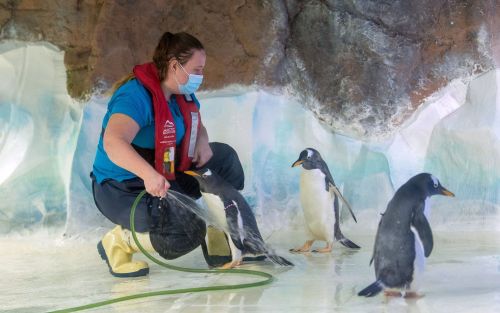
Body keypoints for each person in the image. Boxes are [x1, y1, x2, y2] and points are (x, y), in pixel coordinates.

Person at [91, 31, 244, 277]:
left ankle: (218, 228)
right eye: (197, 69)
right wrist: (148, 175)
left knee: (224, 160)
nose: (201, 76)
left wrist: (202, 141)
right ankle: (119, 242)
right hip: (122, 188)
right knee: (186, 231)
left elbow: (196, 125)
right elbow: (113, 142)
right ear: (175, 66)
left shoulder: (180, 93)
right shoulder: (135, 96)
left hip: (166, 175)